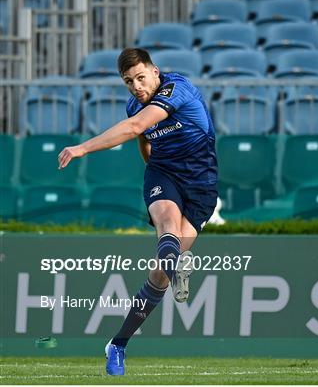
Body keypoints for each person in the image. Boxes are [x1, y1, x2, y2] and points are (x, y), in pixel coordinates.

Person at [58, 48, 218, 376]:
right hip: (164, 176)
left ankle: (172, 271)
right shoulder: (135, 103)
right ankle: (117, 347)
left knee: (160, 273)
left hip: (201, 183)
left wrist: (82, 147)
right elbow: (143, 139)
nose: (136, 86)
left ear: (155, 72)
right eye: (128, 81)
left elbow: (135, 128)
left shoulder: (177, 89)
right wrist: (156, 173)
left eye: (140, 77)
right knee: (167, 229)